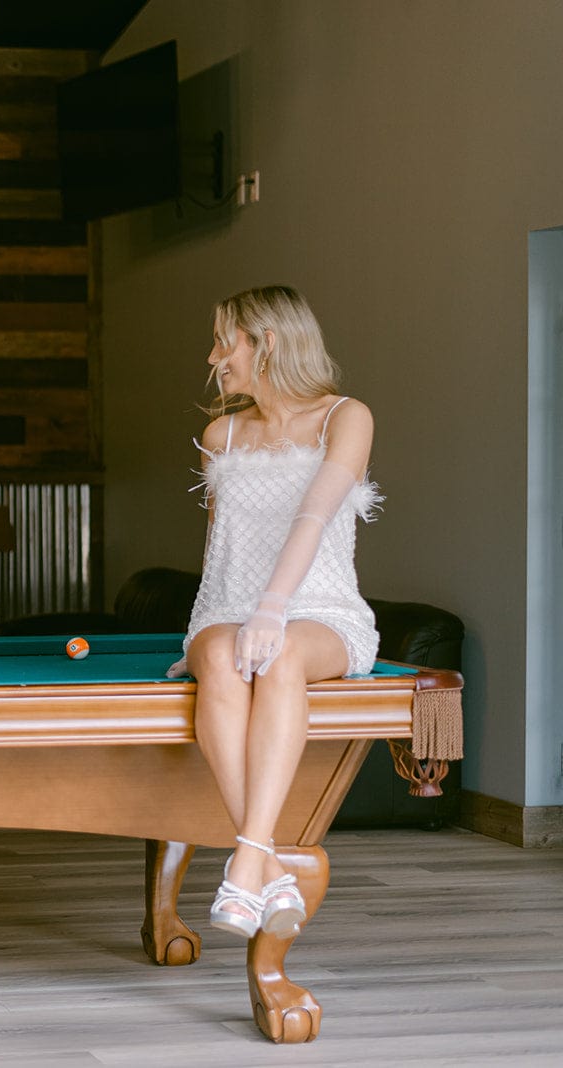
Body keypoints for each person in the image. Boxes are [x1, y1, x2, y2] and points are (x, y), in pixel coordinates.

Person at [171, 285, 379, 941]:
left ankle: (247, 859)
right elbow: (219, 549)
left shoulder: (346, 417)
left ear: (265, 342)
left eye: (221, 340)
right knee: (215, 652)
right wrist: (201, 637)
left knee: (280, 651)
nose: (212, 357)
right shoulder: (221, 433)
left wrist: (273, 610)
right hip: (234, 611)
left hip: (320, 613)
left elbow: (314, 514)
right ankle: (267, 867)